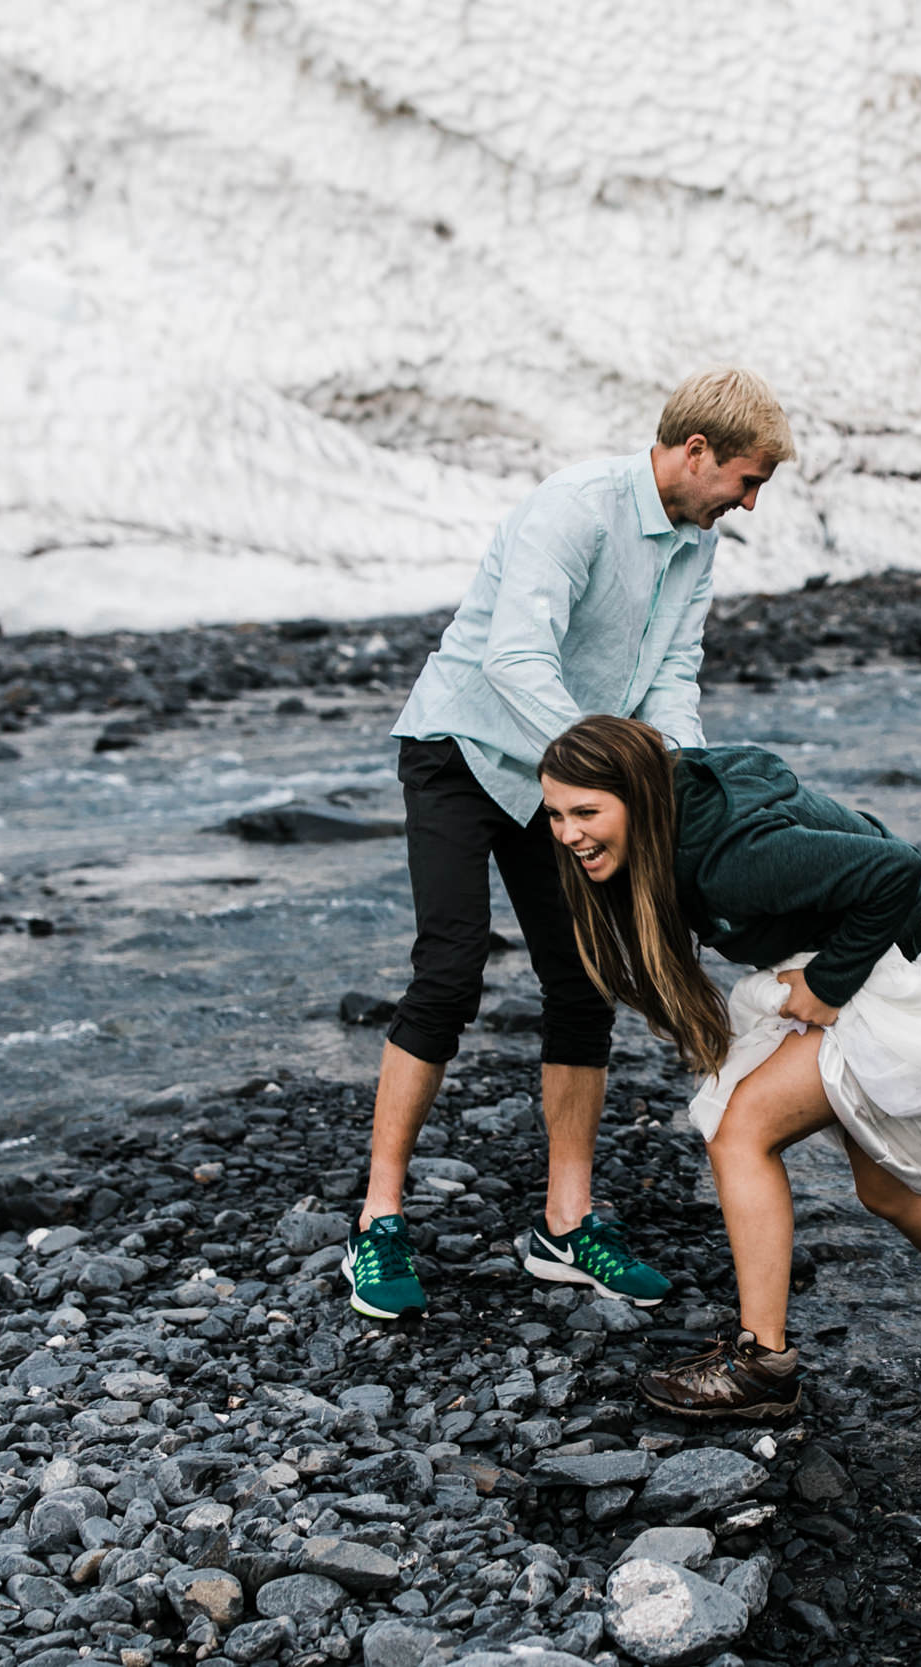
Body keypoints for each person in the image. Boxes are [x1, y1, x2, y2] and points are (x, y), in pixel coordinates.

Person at [340, 370, 796, 1322]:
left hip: (570, 771)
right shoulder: (575, 511)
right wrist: (604, 767)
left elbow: (672, 674)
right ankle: (377, 1220)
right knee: (450, 969)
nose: (750, 503)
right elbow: (514, 657)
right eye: (746, 480)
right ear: (694, 452)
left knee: (585, 979)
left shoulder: (695, 546)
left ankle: (566, 1223)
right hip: (463, 749)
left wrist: (683, 774)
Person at [537, 714, 921, 1419]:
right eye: (555, 814)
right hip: (883, 949)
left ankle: (763, 1364)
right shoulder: (676, 806)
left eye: (586, 812)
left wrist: (829, 982)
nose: (568, 834)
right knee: (888, 1187)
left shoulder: (731, 857)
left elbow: (898, 872)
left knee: (741, 1128)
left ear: (638, 794)